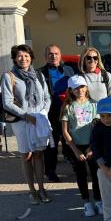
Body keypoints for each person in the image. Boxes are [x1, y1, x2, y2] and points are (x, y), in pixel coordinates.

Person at [2, 44, 52, 205]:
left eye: (26, 55)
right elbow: (7, 102)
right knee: (26, 155)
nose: (23, 58)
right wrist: (26, 115)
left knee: (39, 154)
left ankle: (42, 189)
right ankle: (32, 191)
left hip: (39, 119)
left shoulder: (38, 75)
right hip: (22, 121)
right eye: (19, 56)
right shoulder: (9, 76)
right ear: (14, 58)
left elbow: (47, 97)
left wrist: (43, 113)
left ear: (31, 57)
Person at [60, 75, 101, 217]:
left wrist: (91, 147)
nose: (80, 90)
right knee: (81, 174)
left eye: (82, 87)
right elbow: (65, 131)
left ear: (86, 87)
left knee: (96, 174)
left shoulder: (94, 104)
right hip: (75, 146)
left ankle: (98, 200)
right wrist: (76, 150)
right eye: (76, 88)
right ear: (70, 90)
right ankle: (86, 202)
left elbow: (97, 127)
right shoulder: (68, 106)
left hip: (92, 145)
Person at [38, 44, 74, 182]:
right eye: (50, 54)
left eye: (56, 53)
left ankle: (75, 165)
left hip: (68, 111)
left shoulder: (69, 69)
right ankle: (50, 171)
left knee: (69, 140)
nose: (53, 56)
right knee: (51, 144)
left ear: (60, 55)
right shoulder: (40, 72)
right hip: (51, 112)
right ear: (45, 56)